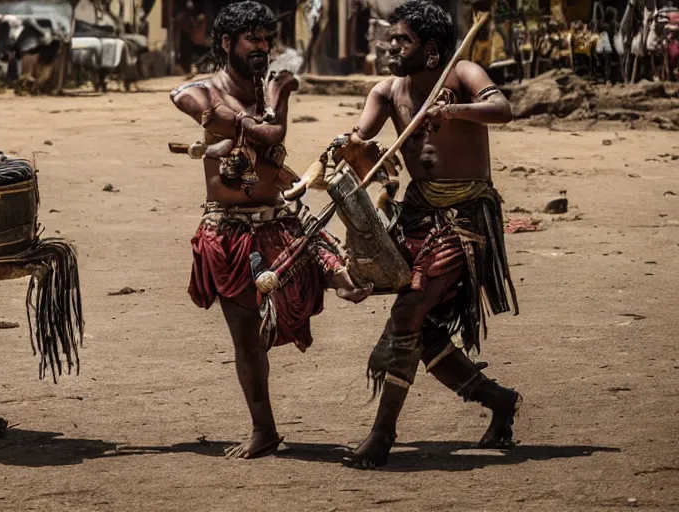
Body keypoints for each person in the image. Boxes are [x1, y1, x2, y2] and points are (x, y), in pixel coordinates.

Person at [170, 0, 370, 460]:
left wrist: (263, 118)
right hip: (229, 231)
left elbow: (269, 143)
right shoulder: (215, 92)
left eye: (266, 39)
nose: (262, 47)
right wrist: (253, 113)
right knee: (245, 336)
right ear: (226, 43)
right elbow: (192, 101)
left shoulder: (268, 90)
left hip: (276, 220)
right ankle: (265, 430)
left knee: (349, 278)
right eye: (252, 40)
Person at [337, 0, 522, 469]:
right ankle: (497, 399)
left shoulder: (462, 72)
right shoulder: (385, 90)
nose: (390, 47)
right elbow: (360, 140)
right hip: (417, 214)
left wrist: (456, 110)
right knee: (422, 325)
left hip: (465, 216)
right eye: (391, 38)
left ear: (433, 51)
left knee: (410, 309)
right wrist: (350, 148)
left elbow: (502, 109)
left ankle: (381, 435)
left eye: (403, 41)